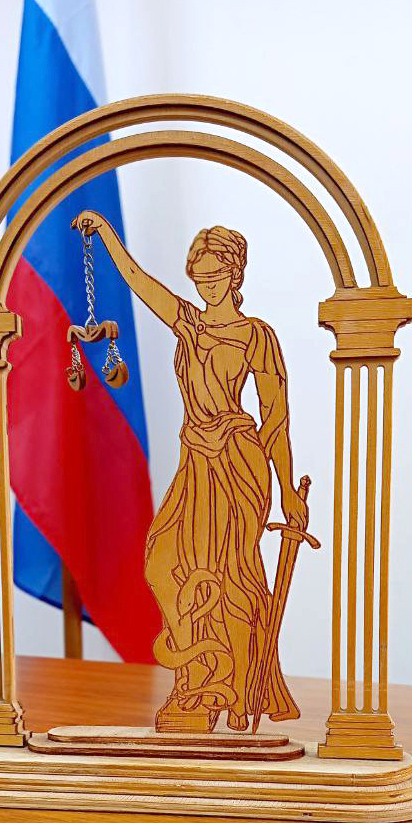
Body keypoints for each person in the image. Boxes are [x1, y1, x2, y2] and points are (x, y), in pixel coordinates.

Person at [72, 212, 307, 732]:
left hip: (238, 462)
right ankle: (200, 675)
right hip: (195, 456)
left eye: (215, 277)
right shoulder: (188, 323)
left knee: (231, 575)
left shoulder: (257, 336)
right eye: (199, 278)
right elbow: (138, 282)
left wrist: (288, 489)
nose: (206, 286)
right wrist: (106, 234)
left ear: (235, 275)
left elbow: (276, 419)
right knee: (165, 562)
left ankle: (235, 692)